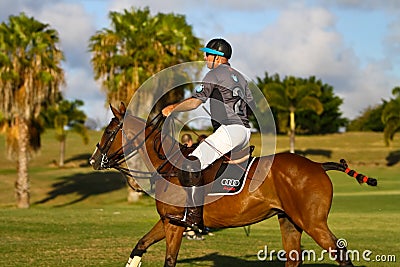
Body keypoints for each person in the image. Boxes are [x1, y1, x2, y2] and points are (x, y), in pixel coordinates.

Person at [162, 38, 255, 231]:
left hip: (230, 130)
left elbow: (195, 102)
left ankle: (194, 218)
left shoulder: (214, 74)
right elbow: (250, 107)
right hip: (245, 131)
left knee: (191, 162)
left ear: (217, 57)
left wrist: (173, 107)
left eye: (207, 54)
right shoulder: (240, 77)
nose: (205, 57)